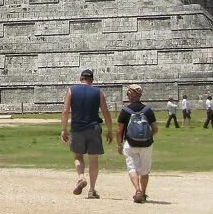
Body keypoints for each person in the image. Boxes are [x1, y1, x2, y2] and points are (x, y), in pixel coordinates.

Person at [61, 69, 113, 199]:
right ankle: (91, 190)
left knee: (78, 156)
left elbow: (65, 111)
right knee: (93, 159)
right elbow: (105, 111)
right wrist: (109, 130)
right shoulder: (98, 92)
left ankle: (81, 177)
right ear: (92, 80)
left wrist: (64, 129)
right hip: (94, 128)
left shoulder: (71, 91)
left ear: (80, 78)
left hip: (77, 127)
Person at [117, 84, 158, 203]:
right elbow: (155, 129)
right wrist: (147, 137)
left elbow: (120, 130)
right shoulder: (148, 110)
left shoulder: (125, 111)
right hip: (147, 144)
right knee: (144, 170)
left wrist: (119, 144)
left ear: (131, 94)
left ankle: (137, 190)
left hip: (130, 143)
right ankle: (143, 193)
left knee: (132, 168)